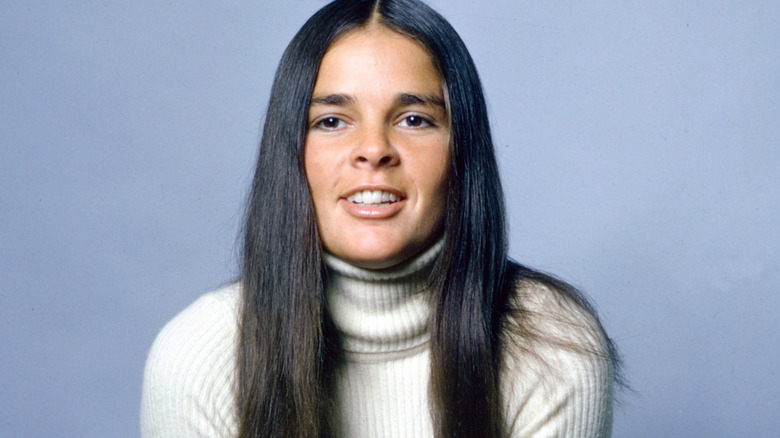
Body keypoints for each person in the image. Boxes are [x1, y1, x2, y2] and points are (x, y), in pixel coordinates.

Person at [141, 0, 623, 437]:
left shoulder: (553, 345)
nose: (373, 150)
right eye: (332, 121)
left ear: (462, 150)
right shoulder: (199, 357)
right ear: (291, 150)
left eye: (414, 119)